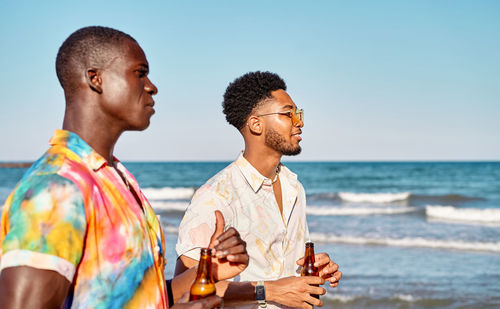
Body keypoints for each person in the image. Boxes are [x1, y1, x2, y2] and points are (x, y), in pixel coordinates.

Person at [0, 26, 248, 309]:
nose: (152, 86)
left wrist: (208, 269)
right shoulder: (58, 188)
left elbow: (137, 299)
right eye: (139, 73)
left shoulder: (116, 179)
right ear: (96, 79)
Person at [175, 71, 342, 309]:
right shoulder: (216, 196)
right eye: (288, 114)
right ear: (256, 124)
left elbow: (284, 269)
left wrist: (314, 269)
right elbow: (188, 291)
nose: (299, 122)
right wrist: (269, 291)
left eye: (298, 113)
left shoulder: (293, 186)